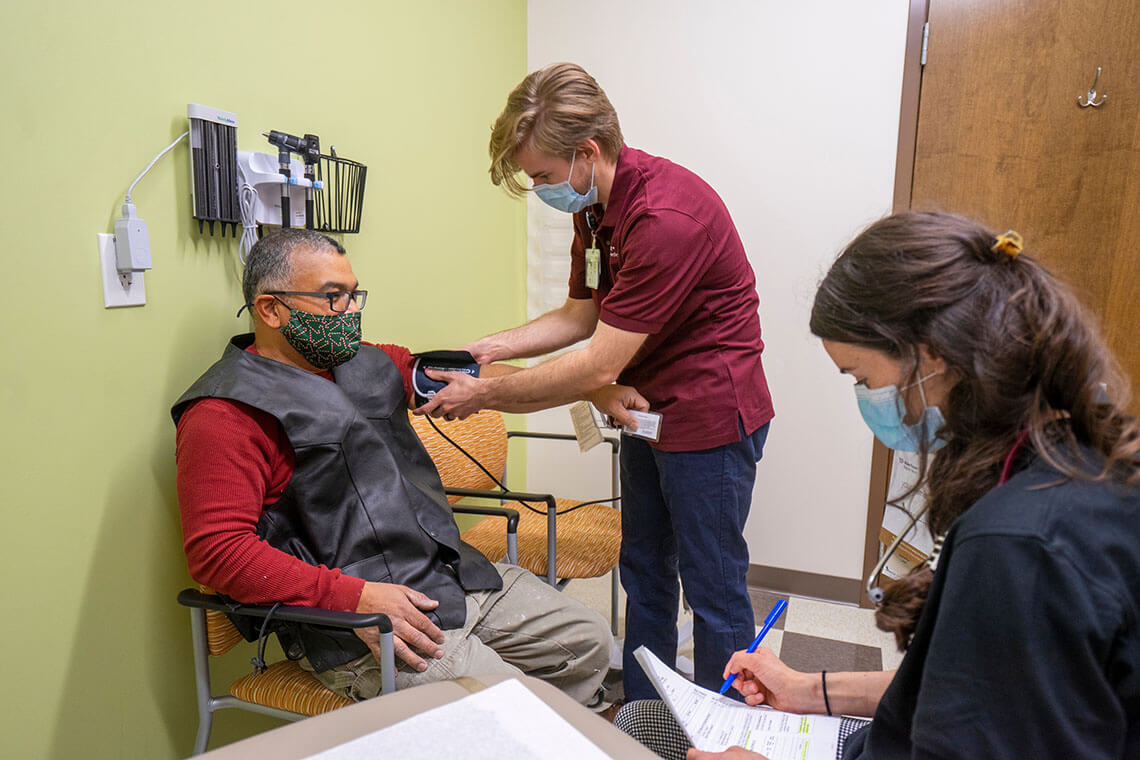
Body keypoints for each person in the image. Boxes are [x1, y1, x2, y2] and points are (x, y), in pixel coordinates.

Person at [616, 211, 1140, 759]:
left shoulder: (1017, 546)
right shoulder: (1075, 459)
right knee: (642, 720)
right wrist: (809, 690)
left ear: (932, 355)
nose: (867, 401)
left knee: (644, 730)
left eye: (863, 379)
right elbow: (964, 681)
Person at [417, 62, 775, 702]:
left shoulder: (667, 217)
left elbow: (596, 365)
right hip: (642, 409)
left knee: (712, 585)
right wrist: (482, 350)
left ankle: (726, 731)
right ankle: (646, 712)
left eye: (545, 177)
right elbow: (580, 316)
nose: (543, 190)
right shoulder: (596, 209)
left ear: (587, 153)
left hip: (710, 415)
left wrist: (486, 394)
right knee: (644, 572)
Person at [172, 228, 622, 705]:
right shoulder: (224, 414)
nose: (351, 312)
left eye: (353, 294)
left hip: (439, 575)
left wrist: (589, 387)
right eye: (332, 298)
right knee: (507, 702)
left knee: (588, 642)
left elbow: (468, 378)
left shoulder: (368, 363)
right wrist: (351, 598)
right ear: (270, 309)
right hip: (351, 620)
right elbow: (218, 553)